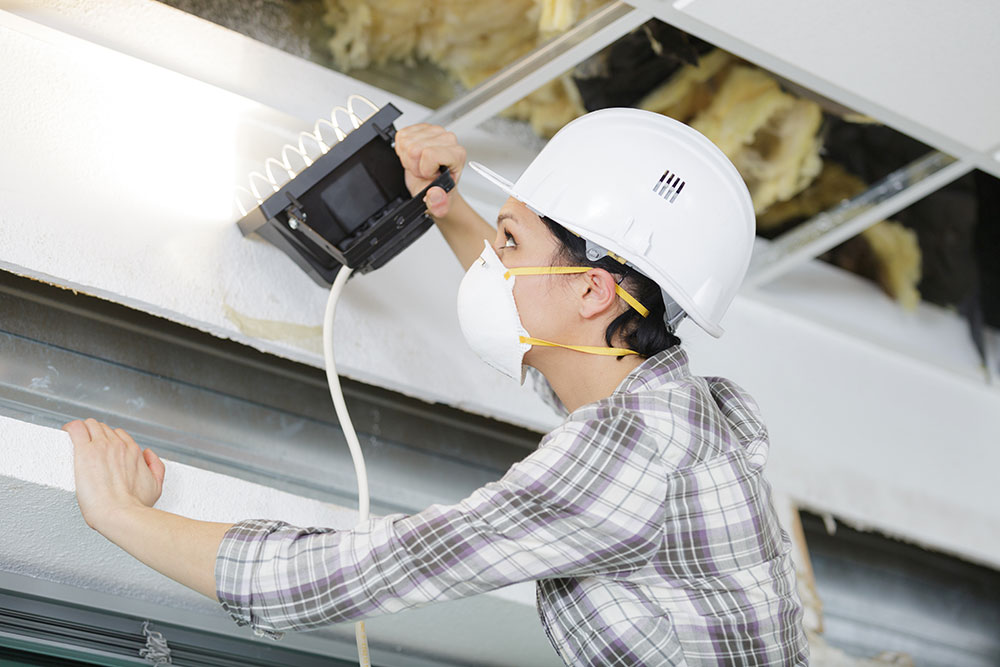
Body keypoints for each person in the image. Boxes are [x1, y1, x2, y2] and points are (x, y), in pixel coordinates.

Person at [65, 108, 808, 665]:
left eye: (507, 245)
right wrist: (449, 210)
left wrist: (118, 515)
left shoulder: (629, 457)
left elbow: (357, 572)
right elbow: (566, 359)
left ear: (591, 294)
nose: (493, 262)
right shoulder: (669, 409)